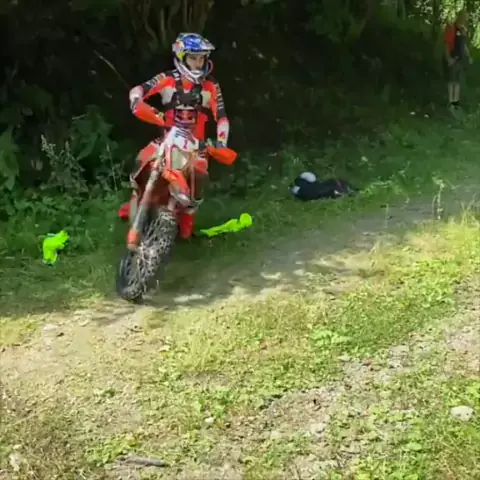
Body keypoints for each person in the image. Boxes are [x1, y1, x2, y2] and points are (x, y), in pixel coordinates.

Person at [126, 33, 230, 239]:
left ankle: (187, 216)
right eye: (193, 58)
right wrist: (136, 99)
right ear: (181, 57)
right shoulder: (167, 79)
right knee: (142, 162)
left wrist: (221, 141)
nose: (198, 63)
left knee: (199, 174)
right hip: (167, 140)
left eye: (202, 58)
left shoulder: (211, 86)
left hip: (196, 146)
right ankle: (138, 203)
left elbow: (222, 117)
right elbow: (140, 89)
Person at [443, 9, 472, 110]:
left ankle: (456, 103)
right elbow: (447, 44)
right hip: (453, 58)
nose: (465, 20)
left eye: (466, 18)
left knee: (458, 82)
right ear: (460, 17)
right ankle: (450, 102)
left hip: (461, 59)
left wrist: (469, 56)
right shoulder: (451, 27)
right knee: (451, 80)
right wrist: (448, 58)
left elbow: (463, 45)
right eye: (464, 17)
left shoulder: (464, 30)